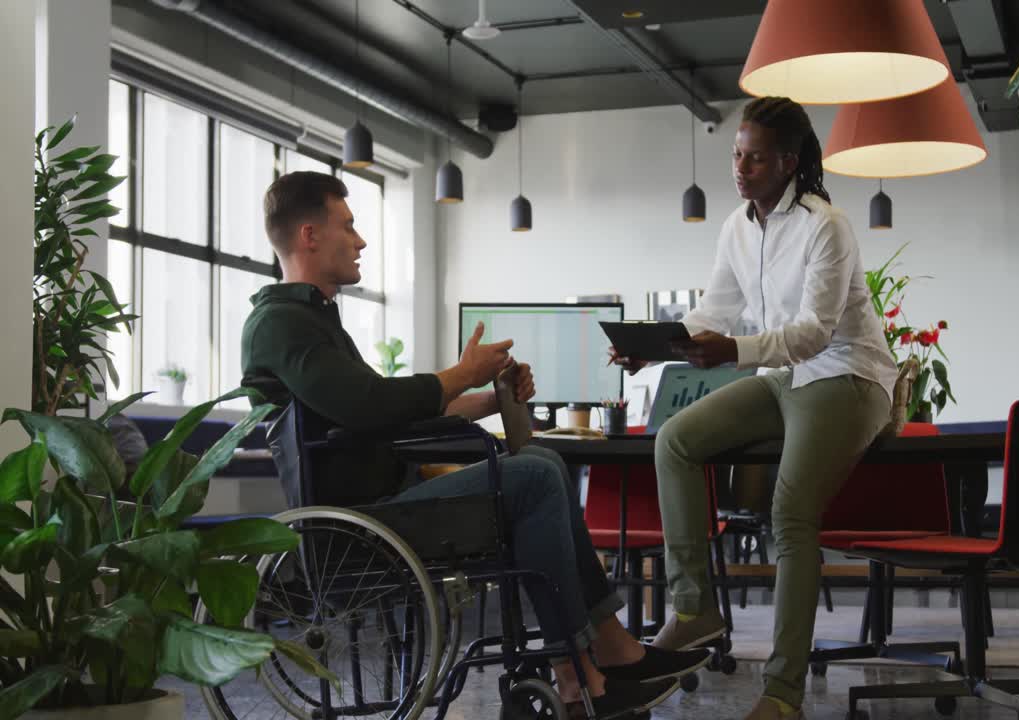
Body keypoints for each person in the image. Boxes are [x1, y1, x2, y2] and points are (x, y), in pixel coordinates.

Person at [241, 171, 708, 718]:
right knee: (535, 474)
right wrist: (462, 373)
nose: (360, 240)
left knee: (540, 463)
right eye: (348, 226)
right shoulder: (280, 323)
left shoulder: (309, 321)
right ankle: (579, 677)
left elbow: (382, 414)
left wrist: (492, 396)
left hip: (382, 507)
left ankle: (608, 649)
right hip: (360, 526)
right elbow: (370, 405)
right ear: (309, 235)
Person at [611, 97, 897, 720]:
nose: (740, 168)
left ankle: (783, 693)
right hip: (783, 377)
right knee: (675, 441)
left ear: (788, 162)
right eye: (737, 155)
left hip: (848, 375)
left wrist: (733, 350)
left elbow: (814, 333)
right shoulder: (737, 228)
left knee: (790, 514)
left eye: (755, 158)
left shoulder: (826, 225)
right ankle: (695, 608)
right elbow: (713, 312)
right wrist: (651, 351)